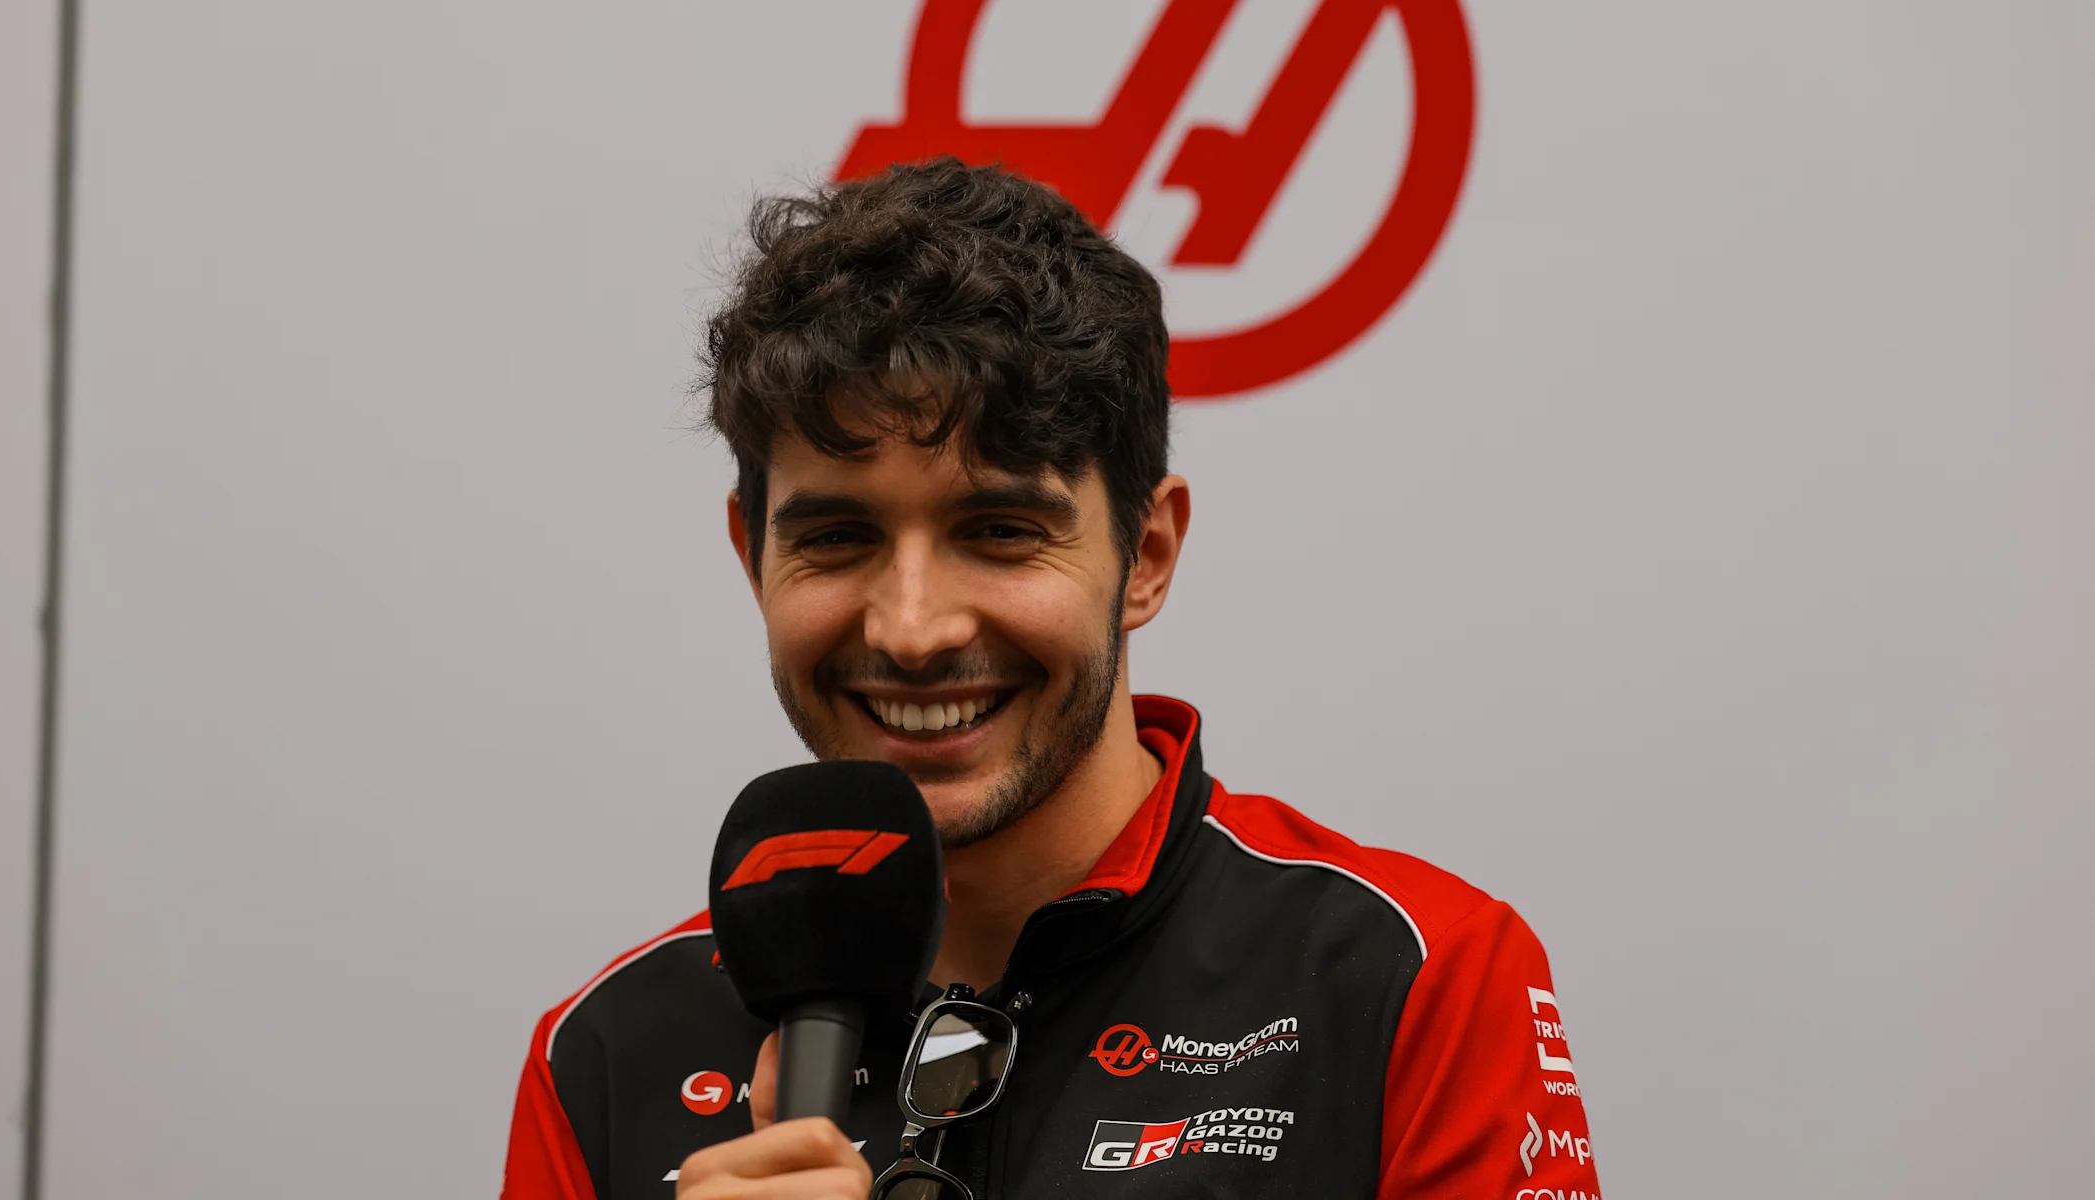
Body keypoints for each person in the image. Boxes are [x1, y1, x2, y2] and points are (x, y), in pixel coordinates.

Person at [500, 158, 1602, 1200]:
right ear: (753, 558)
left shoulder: (1413, 975)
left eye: (1000, 530)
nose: (914, 631)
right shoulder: (600, 1053)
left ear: (1146, 555)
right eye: (836, 539)